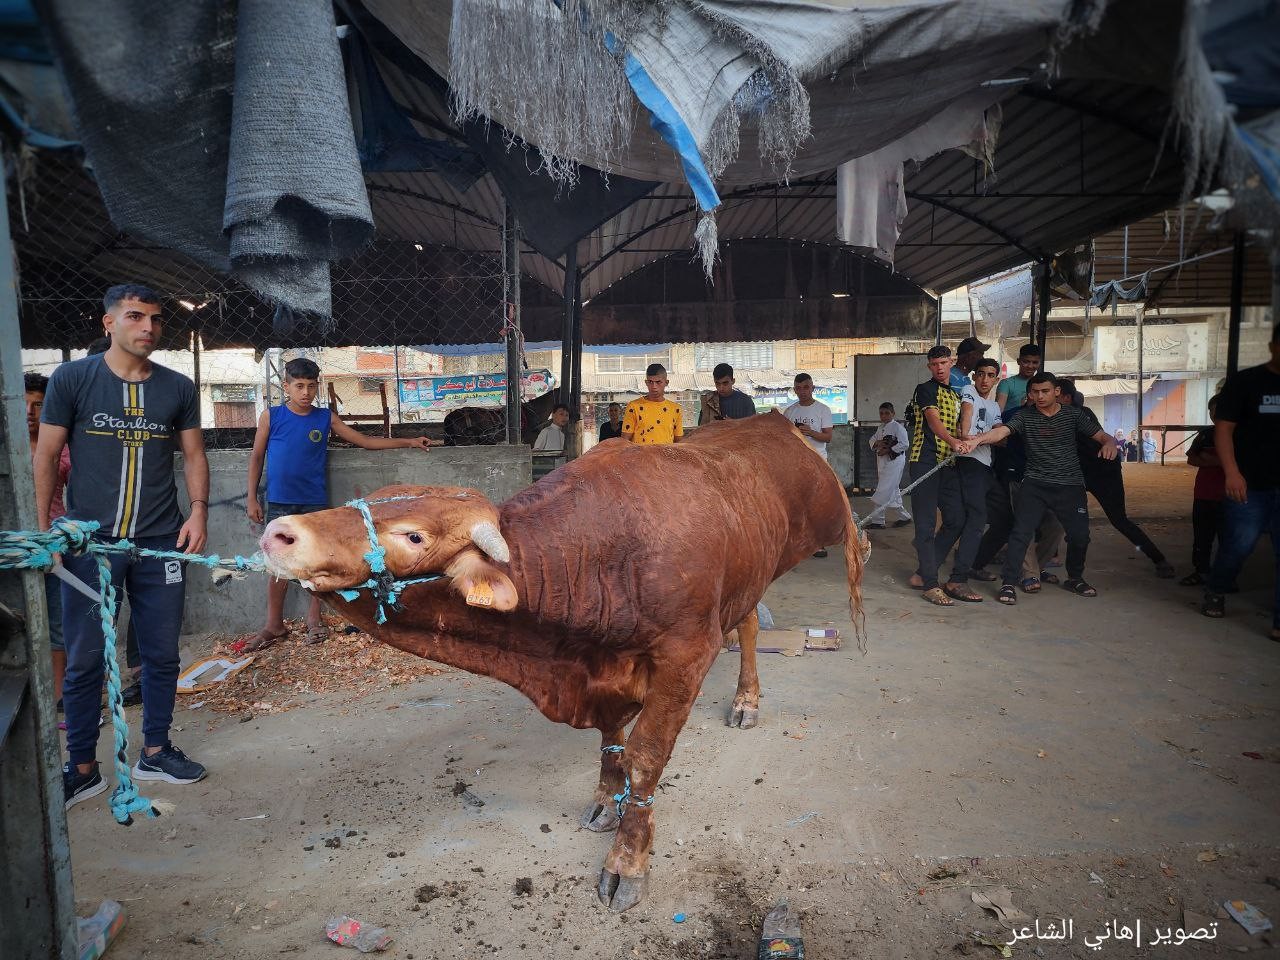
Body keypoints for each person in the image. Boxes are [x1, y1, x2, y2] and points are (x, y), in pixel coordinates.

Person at [36, 284, 211, 807]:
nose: (148, 329)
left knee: (160, 654)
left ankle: (155, 750)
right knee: (87, 656)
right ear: (108, 322)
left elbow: (194, 455)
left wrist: (198, 512)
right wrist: (48, 529)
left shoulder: (178, 388)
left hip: (161, 542)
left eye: (156, 320)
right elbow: (46, 456)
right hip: (90, 543)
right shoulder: (72, 379)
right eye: (135, 317)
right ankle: (83, 766)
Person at [246, 357, 442, 650]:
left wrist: (409, 441)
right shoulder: (271, 417)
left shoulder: (325, 418)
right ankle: (274, 624)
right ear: (286, 386)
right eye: (299, 386)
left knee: (316, 562)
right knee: (278, 564)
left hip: (315, 504)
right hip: (279, 502)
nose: (305, 392)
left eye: (311, 386)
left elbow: (364, 441)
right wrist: (251, 496)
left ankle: (315, 620)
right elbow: (257, 456)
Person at [968, 372, 1118, 604]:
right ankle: (1008, 582)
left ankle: (1075, 578)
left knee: (1080, 536)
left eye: (1045, 391)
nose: (1040, 396)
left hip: (1070, 486)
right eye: (1035, 392)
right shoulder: (1025, 417)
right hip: (1035, 484)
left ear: (1057, 391)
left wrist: (1110, 443)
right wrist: (978, 440)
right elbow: (1003, 431)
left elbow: (1102, 436)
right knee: (1020, 533)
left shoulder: (1073, 415)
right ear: (1029, 394)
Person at [1201, 323, 1280, 642]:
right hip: (1250, 484)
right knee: (1238, 546)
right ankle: (1217, 589)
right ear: (1273, 345)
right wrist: (1232, 472)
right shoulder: (1247, 383)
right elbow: (1223, 430)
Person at [1057, 378, 1173, 579]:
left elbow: (1102, 439)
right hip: (1078, 474)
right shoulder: (1059, 414)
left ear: (1066, 398)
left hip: (1103, 473)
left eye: (1053, 394)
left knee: (1119, 520)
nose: (1045, 398)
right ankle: (1066, 568)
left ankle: (1158, 559)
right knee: (1062, 517)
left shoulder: (1080, 415)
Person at [930, 357, 1001, 602]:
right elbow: (966, 416)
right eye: (980, 374)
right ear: (974, 376)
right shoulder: (969, 392)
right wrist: (967, 435)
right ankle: (958, 579)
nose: (984, 379)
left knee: (971, 519)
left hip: (985, 466)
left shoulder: (995, 408)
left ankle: (931, 570)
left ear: (996, 378)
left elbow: (1002, 438)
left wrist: (980, 438)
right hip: (970, 463)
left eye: (990, 375)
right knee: (976, 518)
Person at [904, 345, 970, 606]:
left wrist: (967, 440)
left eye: (944, 362)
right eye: (935, 364)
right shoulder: (925, 389)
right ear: (929, 366)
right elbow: (933, 420)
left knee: (957, 519)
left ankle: (922, 572)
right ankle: (930, 583)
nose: (940, 368)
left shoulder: (955, 395)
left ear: (951, 362)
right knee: (925, 524)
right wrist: (953, 441)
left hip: (948, 464)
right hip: (925, 461)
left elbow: (959, 424)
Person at [25, 373, 72, 713]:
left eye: (39, 404)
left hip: (55, 542)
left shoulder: (59, 445)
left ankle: (60, 699)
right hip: (13, 547)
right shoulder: (8, 447)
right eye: (24, 403)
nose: (30, 411)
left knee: (58, 623)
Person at [784, 372, 837, 557]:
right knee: (798, 502)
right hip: (797, 462)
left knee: (818, 503)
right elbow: (785, 437)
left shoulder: (823, 409)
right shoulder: (790, 411)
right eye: (798, 388)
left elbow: (828, 437)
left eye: (805, 387)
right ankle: (798, 539)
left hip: (818, 461)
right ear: (794, 389)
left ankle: (818, 542)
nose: (802, 391)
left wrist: (811, 432)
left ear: (812, 387)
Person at [1182, 397, 1225, 587]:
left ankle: (1225, 577)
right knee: (1201, 537)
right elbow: (1191, 458)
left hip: (1230, 496)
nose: (1214, 414)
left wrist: (1210, 460)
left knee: (1228, 539)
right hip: (1203, 494)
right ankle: (1201, 572)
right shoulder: (1205, 434)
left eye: (1218, 410)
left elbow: (1245, 462)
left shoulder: (1241, 434)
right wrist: (1221, 461)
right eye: (1211, 410)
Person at [866, 401, 910, 529]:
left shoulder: (898, 427)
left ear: (893, 413)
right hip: (882, 461)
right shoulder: (880, 428)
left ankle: (878, 521)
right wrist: (878, 443)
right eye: (881, 413)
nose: (884, 416)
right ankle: (904, 516)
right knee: (892, 490)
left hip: (894, 462)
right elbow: (872, 440)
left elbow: (905, 444)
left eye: (887, 413)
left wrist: (889, 449)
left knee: (883, 489)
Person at [622, 364, 684, 445]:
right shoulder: (634, 406)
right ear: (646, 383)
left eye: (658, 382)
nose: (654, 386)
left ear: (666, 382)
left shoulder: (675, 409)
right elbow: (624, 441)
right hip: (641, 457)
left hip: (665, 457)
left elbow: (679, 442)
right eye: (650, 382)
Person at [996, 343, 1042, 411]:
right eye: (1026, 362)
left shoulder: (1042, 384)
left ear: (1039, 363)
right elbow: (998, 413)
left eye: (1035, 362)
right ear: (1018, 361)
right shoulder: (1006, 384)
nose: (1030, 366)